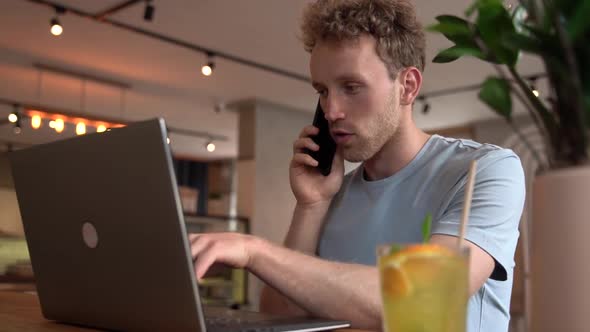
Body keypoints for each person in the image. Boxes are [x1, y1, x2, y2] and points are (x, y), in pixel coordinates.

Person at [189, 1, 525, 331]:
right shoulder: (331, 195)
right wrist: (312, 204)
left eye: (351, 87)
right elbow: (282, 312)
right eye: (323, 91)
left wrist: (254, 251)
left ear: (407, 86)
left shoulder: (485, 170)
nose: (332, 109)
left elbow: (423, 297)